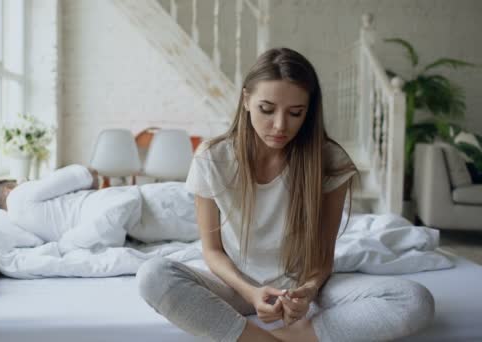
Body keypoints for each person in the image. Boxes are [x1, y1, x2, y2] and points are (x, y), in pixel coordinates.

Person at [136, 48, 434, 342]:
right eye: (267, 109)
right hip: (237, 288)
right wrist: (251, 293)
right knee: (153, 274)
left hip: (301, 290)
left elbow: (323, 256)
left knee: (413, 300)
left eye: (295, 113)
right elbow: (212, 251)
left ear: (309, 111)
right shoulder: (213, 158)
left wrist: (308, 290)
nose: (280, 126)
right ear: (246, 101)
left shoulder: (330, 161)